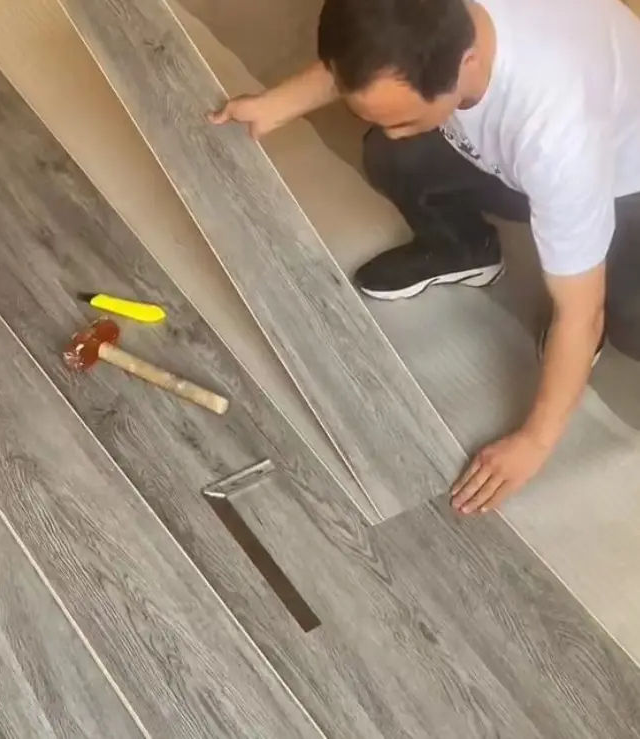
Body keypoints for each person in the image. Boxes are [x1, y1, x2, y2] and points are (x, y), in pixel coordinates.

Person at [210, 0, 640, 515]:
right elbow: (371, 52)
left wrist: (534, 442)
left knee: (625, 317)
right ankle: (466, 248)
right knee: (395, 155)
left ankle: (590, 274)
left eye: (407, 117)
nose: (393, 129)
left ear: (467, 62)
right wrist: (274, 104)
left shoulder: (555, 135)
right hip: (534, 157)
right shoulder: (426, 23)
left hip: (626, 175)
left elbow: (581, 313)